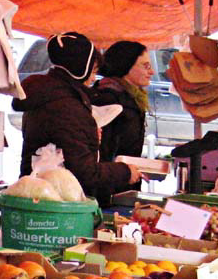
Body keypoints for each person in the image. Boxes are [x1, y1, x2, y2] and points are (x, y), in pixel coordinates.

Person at [12, 32, 142, 207]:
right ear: (81, 69)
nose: (94, 78)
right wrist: (125, 172)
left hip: (38, 197)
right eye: (93, 71)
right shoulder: (66, 107)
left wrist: (90, 138)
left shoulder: (49, 96)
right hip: (56, 206)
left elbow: (60, 146)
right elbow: (84, 172)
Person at [91, 40, 154, 163]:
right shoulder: (108, 100)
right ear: (126, 65)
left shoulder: (132, 98)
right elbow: (103, 153)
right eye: (146, 66)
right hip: (111, 178)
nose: (152, 72)